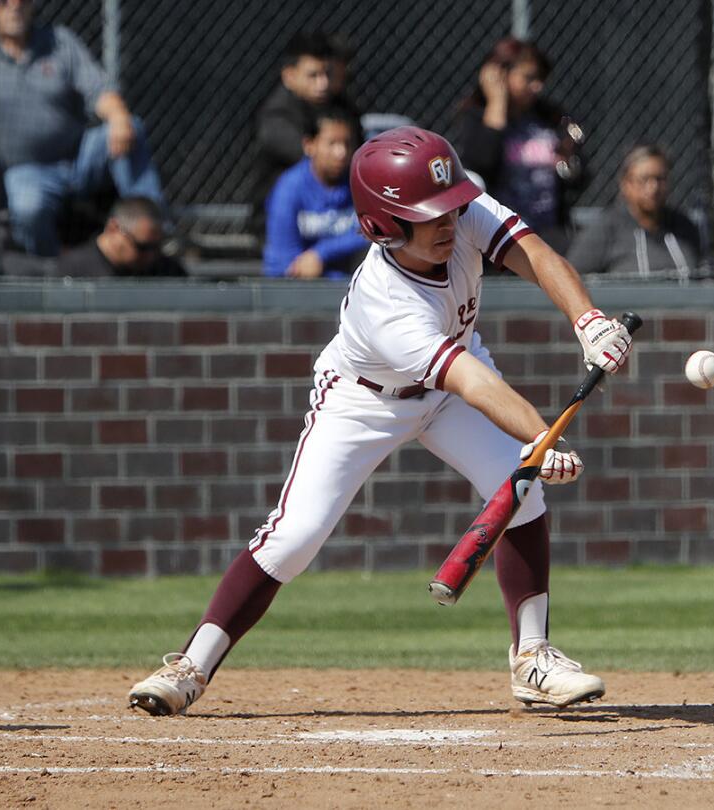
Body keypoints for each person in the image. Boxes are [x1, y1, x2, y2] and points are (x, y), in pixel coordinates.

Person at [127, 127, 635, 716]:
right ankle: (193, 665)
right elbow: (471, 382)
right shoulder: (386, 300)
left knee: (521, 494)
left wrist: (588, 321)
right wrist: (542, 439)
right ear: (383, 226)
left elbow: (536, 255)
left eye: (450, 208)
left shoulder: (459, 208)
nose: (449, 222)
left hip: (450, 375)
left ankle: (533, 657)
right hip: (365, 401)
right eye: (429, 216)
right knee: (296, 534)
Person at [0, 0, 167, 257]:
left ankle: (151, 230)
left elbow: (99, 90)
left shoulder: (59, 41)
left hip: (78, 158)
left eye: (23, 0)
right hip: (27, 170)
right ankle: (50, 270)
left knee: (131, 127)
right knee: (29, 206)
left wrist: (119, 116)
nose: (15, 7)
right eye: (3, 1)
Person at [451, 37, 588, 255]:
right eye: (529, 78)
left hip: (548, 231)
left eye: (541, 79)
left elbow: (578, 177)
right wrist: (497, 102)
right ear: (500, 75)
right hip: (499, 233)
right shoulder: (477, 116)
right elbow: (480, 164)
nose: (537, 86)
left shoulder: (550, 118)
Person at [568, 144, 714, 279]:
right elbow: (572, 277)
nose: (653, 187)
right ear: (626, 184)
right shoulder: (606, 228)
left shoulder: (684, 227)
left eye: (660, 179)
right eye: (644, 179)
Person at [252, 32, 363, 237]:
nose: (322, 84)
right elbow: (318, 162)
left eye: (327, 74)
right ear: (289, 76)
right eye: (313, 75)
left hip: (339, 217)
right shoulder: (276, 115)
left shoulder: (343, 107)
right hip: (287, 227)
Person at [262, 112, 366, 279]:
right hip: (298, 291)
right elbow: (285, 264)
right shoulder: (289, 187)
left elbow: (374, 233)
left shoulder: (360, 182)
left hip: (349, 285)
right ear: (309, 145)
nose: (341, 152)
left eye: (347, 143)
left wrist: (321, 253)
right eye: (332, 144)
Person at [55, 196, 187, 278]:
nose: (150, 256)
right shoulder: (72, 271)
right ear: (113, 228)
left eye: (156, 247)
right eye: (142, 247)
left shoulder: (167, 271)